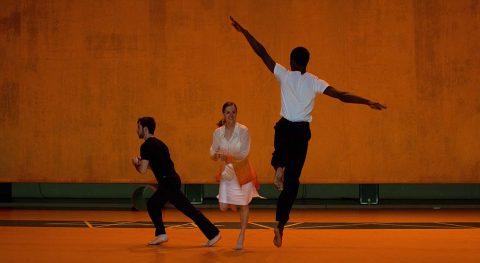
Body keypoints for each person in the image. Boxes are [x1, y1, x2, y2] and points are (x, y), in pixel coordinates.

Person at [229, 16, 387, 248]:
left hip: (283, 128)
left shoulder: (284, 74)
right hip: (301, 132)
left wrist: (244, 32)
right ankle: (280, 224)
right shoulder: (315, 82)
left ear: (292, 61)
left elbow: (261, 52)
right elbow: (342, 96)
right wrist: (367, 101)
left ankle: (278, 168)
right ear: (307, 62)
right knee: (292, 184)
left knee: (279, 154)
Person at [132, 117, 221, 246]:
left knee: (156, 204)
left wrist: (135, 163)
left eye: (138, 127)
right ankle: (162, 234)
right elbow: (156, 166)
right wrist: (143, 164)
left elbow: (142, 170)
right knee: (156, 204)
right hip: (171, 180)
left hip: (167, 183)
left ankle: (213, 233)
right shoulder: (160, 144)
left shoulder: (145, 146)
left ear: (145, 129)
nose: (137, 130)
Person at [210, 102, 261, 250]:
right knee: (223, 206)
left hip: (243, 171)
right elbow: (212, 150)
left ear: (236, 113)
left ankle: (242, 235)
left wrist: (226, 156)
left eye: (233, 112)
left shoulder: (243, 130)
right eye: (227, 112)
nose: (231, 115)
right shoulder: (218, 132)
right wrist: (214, 155)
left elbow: (244, 153)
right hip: (227, 173)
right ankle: (241, 234)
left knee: (243, 204)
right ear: (223, 115)